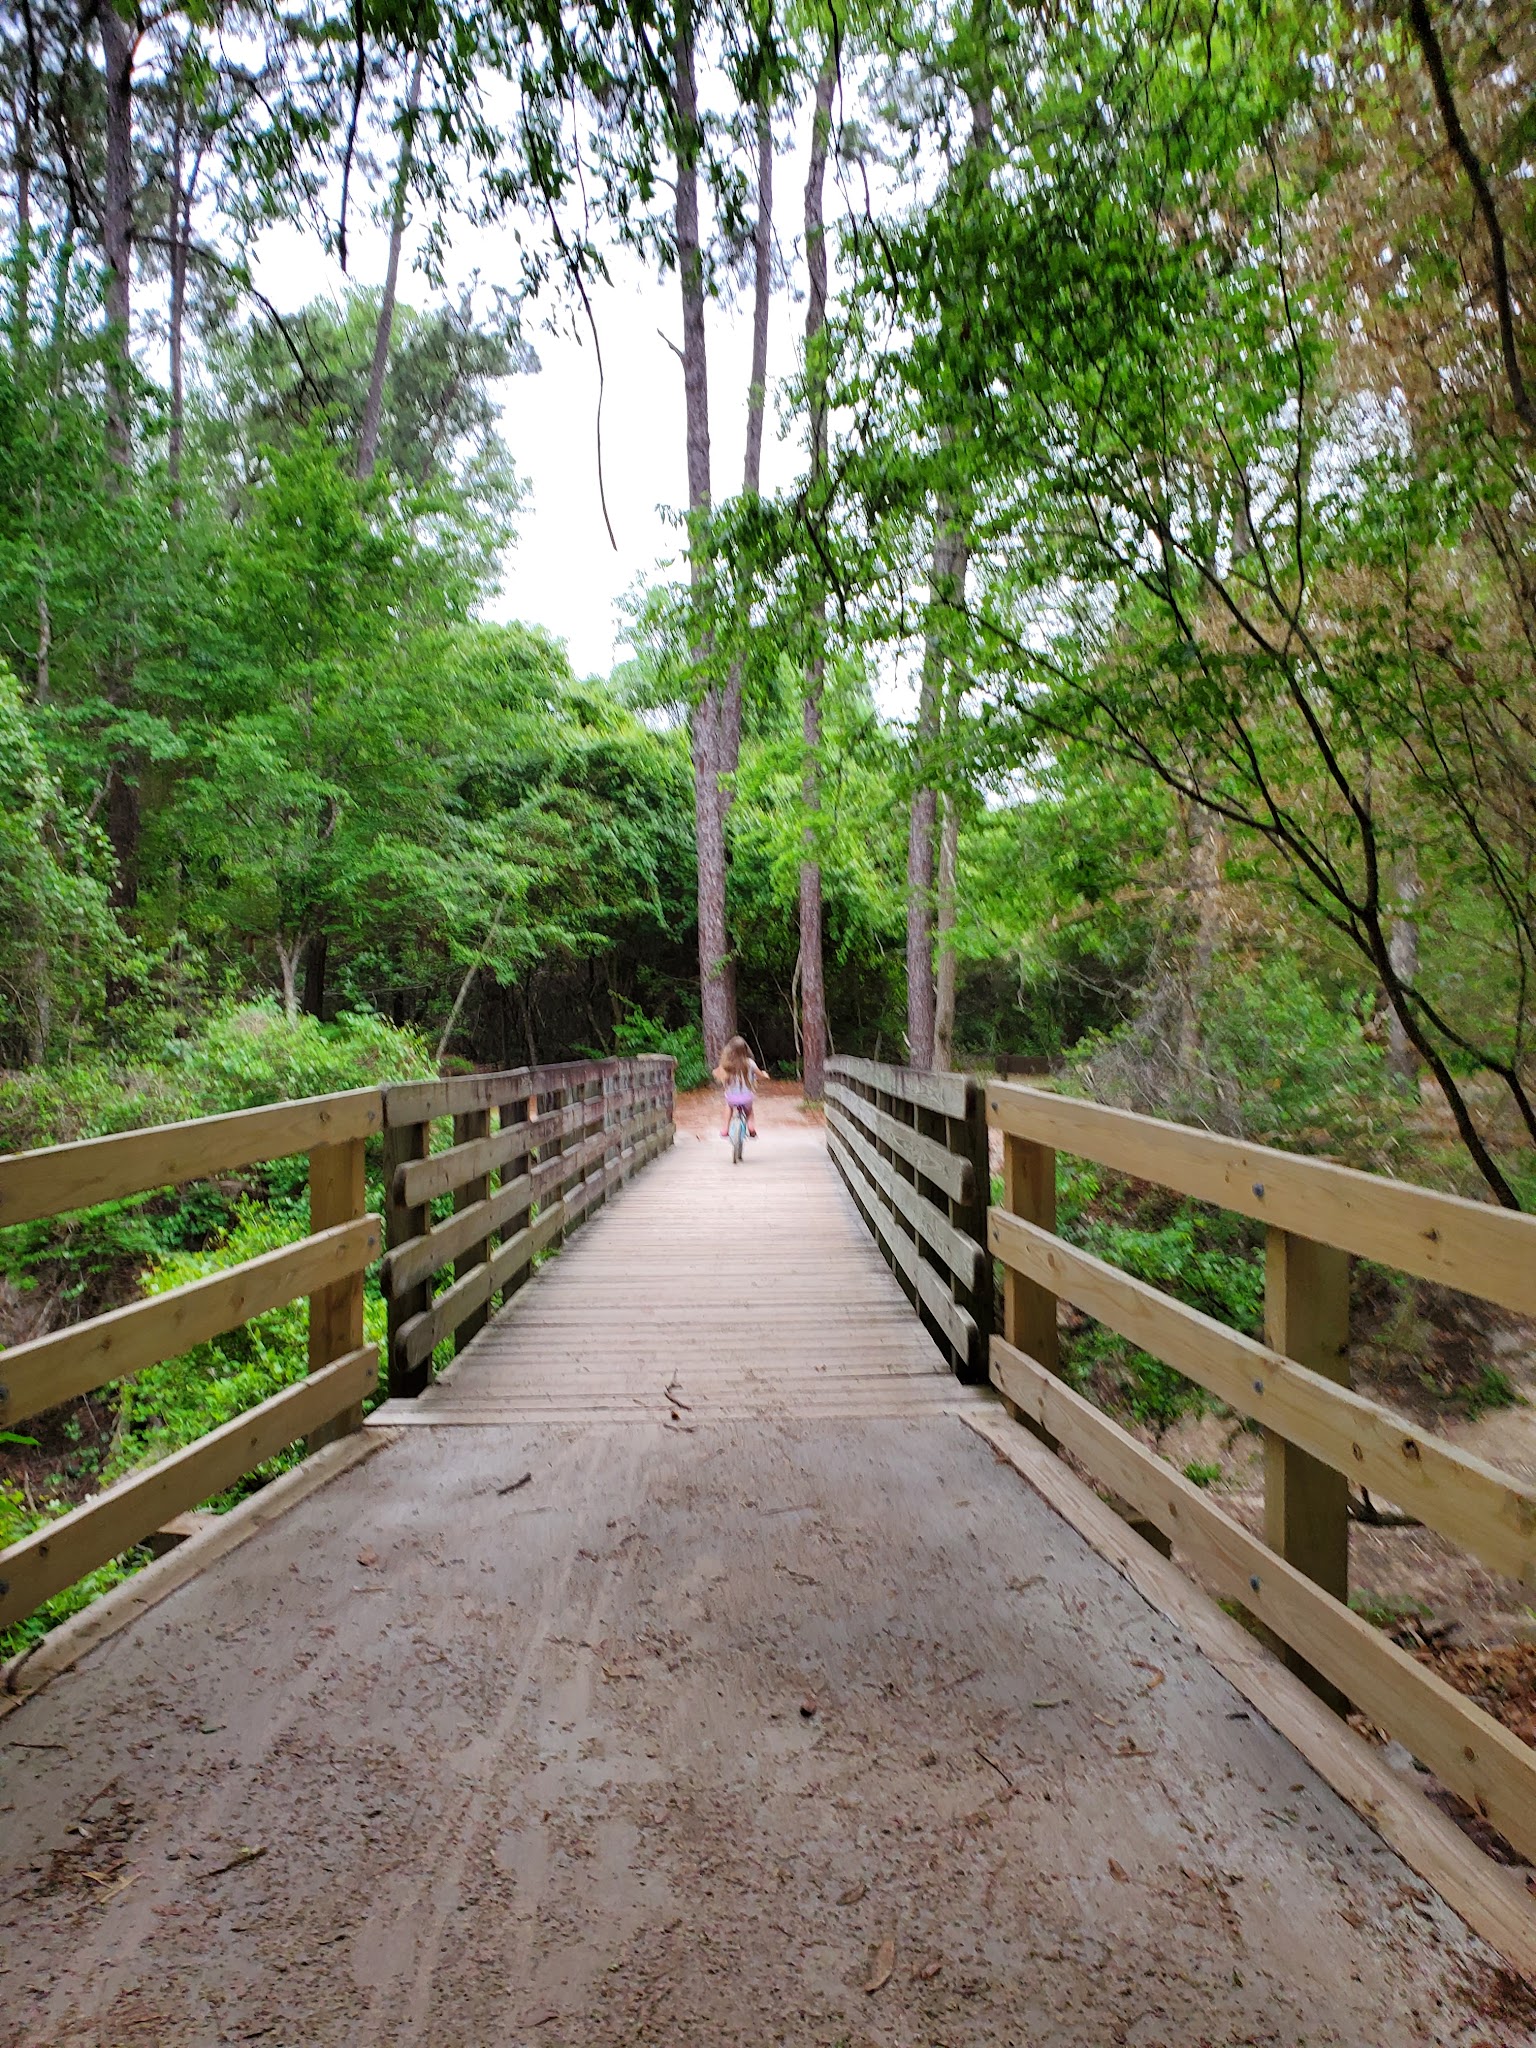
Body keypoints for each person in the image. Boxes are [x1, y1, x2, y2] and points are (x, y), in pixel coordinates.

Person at [715, 1034, 768, 1139]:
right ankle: (751, 1128)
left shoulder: (727, 1064)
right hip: (746, 1097)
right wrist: (764, 1075)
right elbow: (759, 1075)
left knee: (729, 1108)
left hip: (731, 1098)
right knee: (749, 1112)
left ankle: (725, 1129)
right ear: (745, 1050)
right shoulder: (750, 1063)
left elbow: (717, 1073)